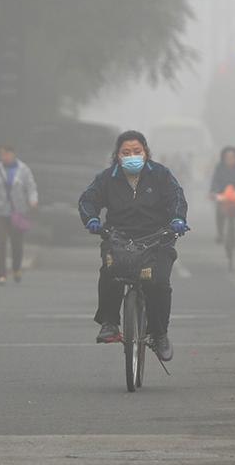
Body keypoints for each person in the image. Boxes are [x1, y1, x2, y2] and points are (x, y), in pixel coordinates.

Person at [78, 130, 188, 361]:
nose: (132, 156)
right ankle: (109, 322)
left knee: (157, 283)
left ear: (146, 153)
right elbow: (88, 200)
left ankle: (159, 334)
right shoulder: (107, 178)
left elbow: (177, 197)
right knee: (110, 271)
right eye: (126, 152)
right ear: (117, 155)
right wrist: (92, 219)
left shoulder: (161, 175)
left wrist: (178, 220)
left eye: (137, 151)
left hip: (157, 239)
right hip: (118, 238)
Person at [0, 145, 38, 285]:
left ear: (13, 154)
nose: (4, 157)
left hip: (17, 212)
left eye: (6, 154)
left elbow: (31, 186)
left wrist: (33, 199)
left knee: (17, 244)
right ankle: (1, 275)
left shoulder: (23, 170)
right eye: (2, 154)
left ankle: (16, 268)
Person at [209, 146, 235, 256]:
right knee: (219, 212)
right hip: (224, 198)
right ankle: (220, 234)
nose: (230, 159)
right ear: (223, 158)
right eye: (227, 157)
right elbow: (215, 182)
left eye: (232, 157)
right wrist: (214, 192)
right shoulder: (219, 168)